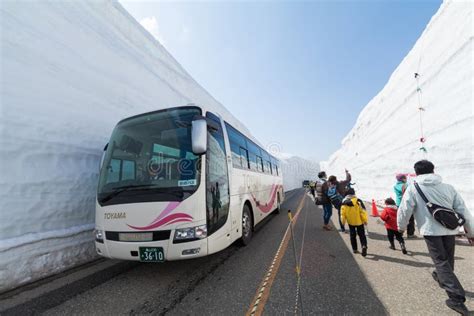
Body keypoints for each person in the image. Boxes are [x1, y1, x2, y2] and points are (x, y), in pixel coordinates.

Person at [398, 160, 474, 315]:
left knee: (440, 261)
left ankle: (456, 298)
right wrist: (471, 232)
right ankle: (441, 276)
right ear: (433, 171)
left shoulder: (414, 188)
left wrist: (401, 227)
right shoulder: (448, 187)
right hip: (450, 229)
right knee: (447, 260)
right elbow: (463, 210)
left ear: (417, 173)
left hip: (431, 231)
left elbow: (405, 210)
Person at [341, 188, 368, 256]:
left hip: (351, 222)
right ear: (354, 194)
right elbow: (363, 212)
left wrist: (343, 222)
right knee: (362, 235)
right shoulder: (358, 201)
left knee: (352, 236)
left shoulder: (344, 202)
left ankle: (354, 249)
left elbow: (342, 214)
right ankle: (364, 246)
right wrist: (365, 220)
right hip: (359, 222)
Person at [394, 174, 416, 238]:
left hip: (398, 204)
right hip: (406, 204)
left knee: (400, 218)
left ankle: (399, 234)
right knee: (410, 219)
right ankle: (410, 234)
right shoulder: (406, 185)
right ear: (403, 179)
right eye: (405, 178)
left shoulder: (395, 186)